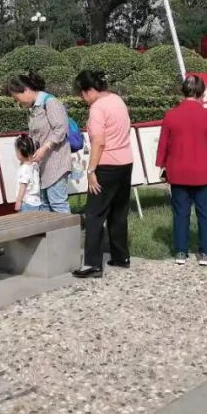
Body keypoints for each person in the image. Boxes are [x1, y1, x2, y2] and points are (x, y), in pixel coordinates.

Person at [156, 74, 207, 265]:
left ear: (182, 91)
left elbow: (164, 143)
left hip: (177, 171)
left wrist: (161, 164)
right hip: (203, 171)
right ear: (202, 92)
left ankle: (181, 252)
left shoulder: (171, 115)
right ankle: (204, 252)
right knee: (205, 213)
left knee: (180, 213)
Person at [72, 70, 133, 279]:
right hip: (126, 162)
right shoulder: (117, 100)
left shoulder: (97, 108)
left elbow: (99, 141)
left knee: (95, 214)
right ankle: (121, 256)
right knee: (118, 212)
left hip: (106, 165)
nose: (82, 99)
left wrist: (91, 171)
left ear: (89, 90)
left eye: (82, 94)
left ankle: (92, 263)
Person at [8, 72, 73, 213]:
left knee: (57, 203)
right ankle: (51, 235)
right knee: (45, 206)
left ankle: (67, 234)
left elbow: (61, 128)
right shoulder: (33, 109)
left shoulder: (50, 102)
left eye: (17, 98)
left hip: (56, 162)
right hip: (42, 165)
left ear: (26, 90)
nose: (18, 103)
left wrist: (45, 147)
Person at [13, 133, 43, 212]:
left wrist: (18, 201)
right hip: (37, 201)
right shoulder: (35, 165)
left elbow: (23, 185)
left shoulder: (24, 169)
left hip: (27, 203)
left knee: (26, 223)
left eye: (16, 151)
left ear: (20, 152)